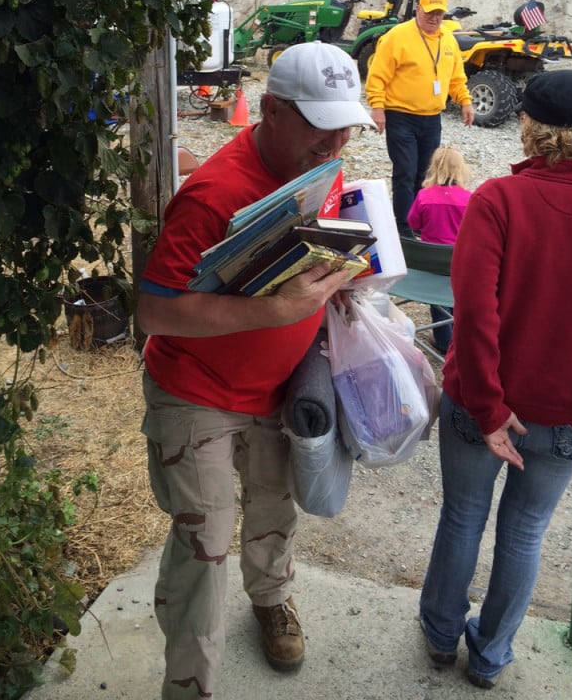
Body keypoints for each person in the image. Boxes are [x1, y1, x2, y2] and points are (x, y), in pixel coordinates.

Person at [136, 41, 375, 700]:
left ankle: (270, 600)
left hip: (277, 387)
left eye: (345, 123)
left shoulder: (317, 164)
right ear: (269, 110)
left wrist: (341, 278)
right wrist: (273, 312)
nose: (336, 140)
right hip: (196, 396)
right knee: (205, 549)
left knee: (275, 510)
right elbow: (155, 312)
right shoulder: (212, 193)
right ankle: (189, 685)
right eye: (319, 124)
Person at [418, 69, 572, 690]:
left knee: (462, 518)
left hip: (481, 404)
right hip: (567, 412)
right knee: (525, 533)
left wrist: (493, 409)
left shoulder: (497, 201)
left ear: (529, 126)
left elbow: (473, 315)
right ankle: (492, 656)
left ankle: (442, 636)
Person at [365, 0, 475, 236]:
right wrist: (377, 107)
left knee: (426, 173)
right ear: (418, 10)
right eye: (429, 13)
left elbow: (456, 77)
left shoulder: (448, 39)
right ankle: (403, 229)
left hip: (431, 118)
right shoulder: (397, 36)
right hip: (400, 115)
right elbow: (378, 75)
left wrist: (465, 101)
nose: (435, 19)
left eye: (439, 14)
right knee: (405, 170)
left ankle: (420, 223)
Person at [406, 144, 472, 354]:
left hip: (429, 265)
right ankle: (459, 340)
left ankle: (444, 340)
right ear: (461, 169)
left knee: (438, 303)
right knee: (456, 301)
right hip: (460, 265)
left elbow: (413, 223)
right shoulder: (468, 198)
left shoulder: (424, 196)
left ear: (433, 167)